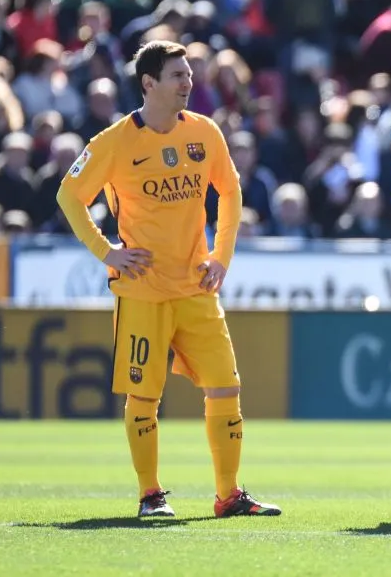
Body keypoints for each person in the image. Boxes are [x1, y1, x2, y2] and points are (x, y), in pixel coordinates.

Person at [56, 40, 281, 519]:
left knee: (226, 387)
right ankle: (150, 495)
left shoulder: (205, 132)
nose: (189, 82)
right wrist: (107, 253)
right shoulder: (114, 141)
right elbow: (68, 196)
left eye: (190, 74)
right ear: (149, 83)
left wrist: (222, 256)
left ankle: (228, 495)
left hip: (197, 287)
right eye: (178, 75)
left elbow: (232, 191)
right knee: (145, 396)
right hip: (143, 291)